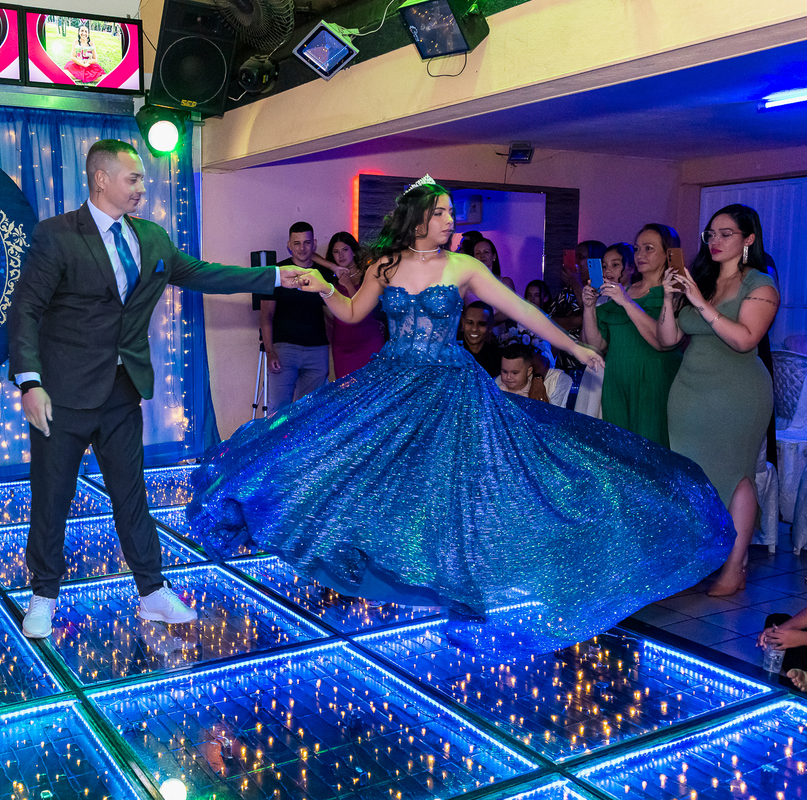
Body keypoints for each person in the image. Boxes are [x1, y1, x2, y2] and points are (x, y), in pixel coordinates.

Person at [188, 176, 733, 655]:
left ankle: (465, 585)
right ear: (418, 218)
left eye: (451, 212)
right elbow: (352, 313)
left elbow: (520, 310)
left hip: (450, 389)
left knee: (464, 489)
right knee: (355, 468)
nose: (452, 219)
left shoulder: (464, 266)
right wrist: (325, 286)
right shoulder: (385, 265)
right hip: (391, 382)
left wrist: (574, 345)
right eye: (443, 212)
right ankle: (379, 568)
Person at [7, 139, 308, 640]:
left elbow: (204, 274)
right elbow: (26, 311)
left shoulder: (151, 238)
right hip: (61, 394)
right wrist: (30, 382)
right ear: (100, 179)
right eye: (133, 179)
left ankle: (151, 592)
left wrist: (277, 275)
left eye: (143, 180)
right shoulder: (57, 235)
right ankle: (43, 593)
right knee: (52, 497)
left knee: (131, 496)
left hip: (123, 390)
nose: (142, 189)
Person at [659, 204, 780, 597]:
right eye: (710, 234)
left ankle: (735, 567)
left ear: (748, 239)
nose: (714, 241)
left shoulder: (761, 284)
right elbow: (668, 340)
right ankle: (698, 560)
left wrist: (699, 302)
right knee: (692, 476)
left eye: (726, 234)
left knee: (735, 474)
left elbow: (745, 340)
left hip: (737, 393)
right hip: (690, 390)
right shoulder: (703, 280)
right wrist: (669, 298)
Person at [582, 228, 682, 447]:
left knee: (651, 448)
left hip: (653, 380)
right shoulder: (624, 290)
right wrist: (588, 307)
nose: (640, 255)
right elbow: (596, 345)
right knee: (619, 449)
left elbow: (661, 342)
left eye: (649, 248)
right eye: (637, 249)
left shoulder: (674, 293)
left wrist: (626, 302)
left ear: (668, 253)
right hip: (616, 380)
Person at [258, 222, 333, 414]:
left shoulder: (324, 274)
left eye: (307, 243)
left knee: (311, 411)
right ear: (289, 245)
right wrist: (270, 351)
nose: (302, 248)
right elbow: (266, 315)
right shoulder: (277, 273)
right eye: (297, 243)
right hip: (284, 350)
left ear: (314, 244)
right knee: (278, 410)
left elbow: (334, 314)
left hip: (317, 350)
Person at [574, 242, 634, 419]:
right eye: (605, 266)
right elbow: (585, 342)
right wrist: (589, 307)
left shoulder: (635, 300)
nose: (608, 271)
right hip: (597, 369)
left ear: (631, 267)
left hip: (622, 370)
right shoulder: (601, 300)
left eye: (615, 265)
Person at [319, 231, 385, 378]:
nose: (341, 255)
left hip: (369, 340)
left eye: (345, 250)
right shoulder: (331, 280)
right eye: (336, 252)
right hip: (343, 345)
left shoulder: (367, 275)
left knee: (372, 387)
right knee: (344, 388)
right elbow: (311, 255)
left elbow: (359, 308)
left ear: (353, 251)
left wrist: (348, 284)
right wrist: (333, 267)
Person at [459, 301, 500, 376]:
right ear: (463, 323)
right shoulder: (451, 346)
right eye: (470, 323)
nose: (474, 329)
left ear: (490, 327)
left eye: (481, 324)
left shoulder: (497, 353)